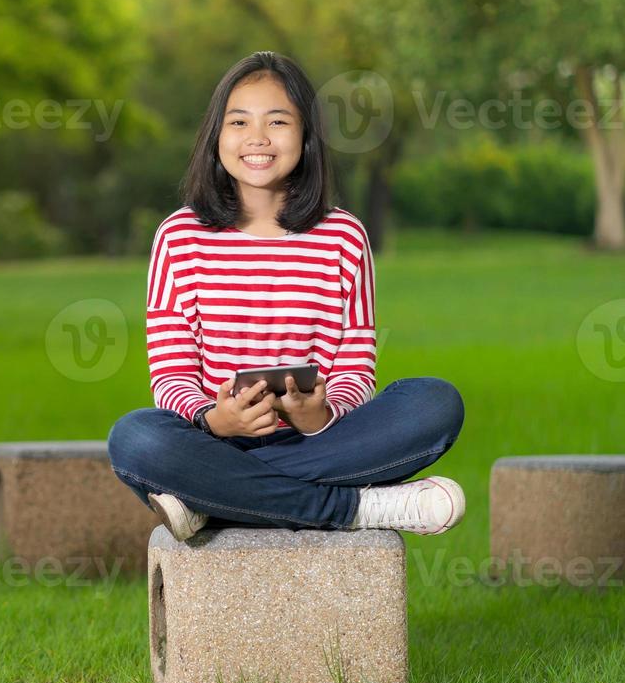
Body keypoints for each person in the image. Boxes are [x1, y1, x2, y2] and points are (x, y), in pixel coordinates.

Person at [106, 51, 465, 541]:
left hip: (324, 443)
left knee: (435, 403)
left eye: (277, 121)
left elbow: (356, 369)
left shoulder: (343, 236)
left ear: (307, 137)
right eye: (239, 122)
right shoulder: (180, 235)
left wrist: (318, 415)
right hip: (215, 445)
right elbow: (171, 377)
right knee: (136, 438)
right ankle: (351, 508)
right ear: (216, 137)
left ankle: (214, 502)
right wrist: (216, 419)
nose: (257, 138)